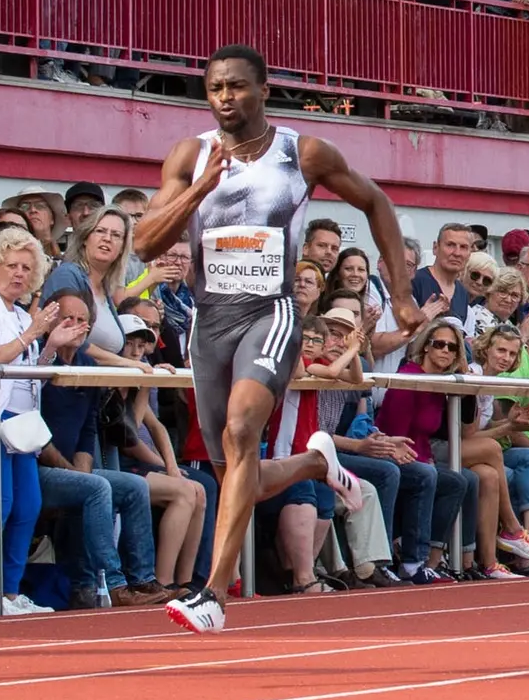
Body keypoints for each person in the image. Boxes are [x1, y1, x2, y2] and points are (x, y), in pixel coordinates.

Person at [133, 44, 422, 633]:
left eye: (237, 86)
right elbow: (144, 244)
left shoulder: (302, 152)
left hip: (271, 311)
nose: (225, 98)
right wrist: (198, 189)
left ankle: (213, 594)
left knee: (243, 431)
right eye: (215, 89)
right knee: (237, 474)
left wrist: (400, 293)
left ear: (264, 90)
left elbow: (376, 201)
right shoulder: (190, 155)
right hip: (210, 320)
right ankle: (316, 461)